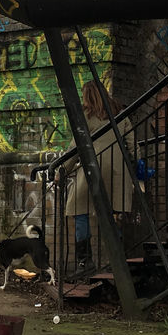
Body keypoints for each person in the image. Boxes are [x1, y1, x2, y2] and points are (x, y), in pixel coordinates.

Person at [64, 80, 140, 276]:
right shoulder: (120, 114)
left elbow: (75, 148)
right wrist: (138, 166)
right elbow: (132, 144)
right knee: (115, 213)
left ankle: (85, 262)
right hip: (117, 171)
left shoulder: (85, 116)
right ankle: (114, 261)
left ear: (87, 96)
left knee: (78, 209)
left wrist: (61, 171)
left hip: (92, 171)